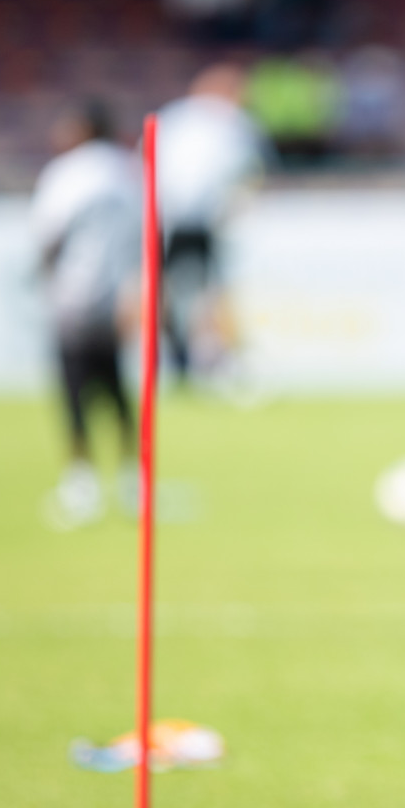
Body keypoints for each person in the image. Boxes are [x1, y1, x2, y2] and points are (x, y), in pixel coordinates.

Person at [32, 101, 141, 527]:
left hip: (73, 296)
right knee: (117, 389)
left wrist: (47, 282)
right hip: (120, 296)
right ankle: (135, 480)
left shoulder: (67, 172)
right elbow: (148, 234)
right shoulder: (128, 171)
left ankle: (82, 482)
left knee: (75, 390)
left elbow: (46, 234)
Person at [154, 63, 265, 383]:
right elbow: (249, 173)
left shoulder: (174, 116)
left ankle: (181, 353)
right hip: (199, 219)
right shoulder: (233, 122)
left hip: (167, 216)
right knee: (212, 292)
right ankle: (212, 357)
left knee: (167, 290)